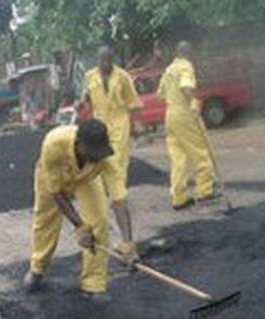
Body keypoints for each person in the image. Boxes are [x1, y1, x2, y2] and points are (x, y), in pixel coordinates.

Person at [22, 119, 138, 301]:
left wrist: (128, 242)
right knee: (45, 221)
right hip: (54, 175)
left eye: (100, 154)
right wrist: (79, 226)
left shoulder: (105, 157)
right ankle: (38, 268)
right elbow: (58, 193)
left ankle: (93, 284)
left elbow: (119, 202)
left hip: (87, 178)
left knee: (99, 221)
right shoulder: (53, 144)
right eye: (93, 153)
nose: (97, 157)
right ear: (79, 144)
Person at [79, 46, 141, 249]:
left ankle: (118, 197)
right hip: (100, 125)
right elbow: (87, 96)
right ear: (97, 60)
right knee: (100, 162)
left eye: (108, 60)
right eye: (101, 60)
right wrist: (82, 102)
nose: (105, 64)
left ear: (112, 60)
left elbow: (132, 102)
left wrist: (136, 125)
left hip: (119, 124)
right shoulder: (90, 76)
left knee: (116, 162)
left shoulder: (123, 77)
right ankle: (109, 195)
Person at [157, 41, 217, 210]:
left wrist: (174, 99)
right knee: (200, 151)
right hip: (184, 114)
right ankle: (205, 191)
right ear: (189, 53)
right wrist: (193, 102)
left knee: (178, 158)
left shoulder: (169, 69)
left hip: (170, 116)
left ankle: (178, 198)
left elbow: (160, 94)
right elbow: (186, 86)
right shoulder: (186, 66)